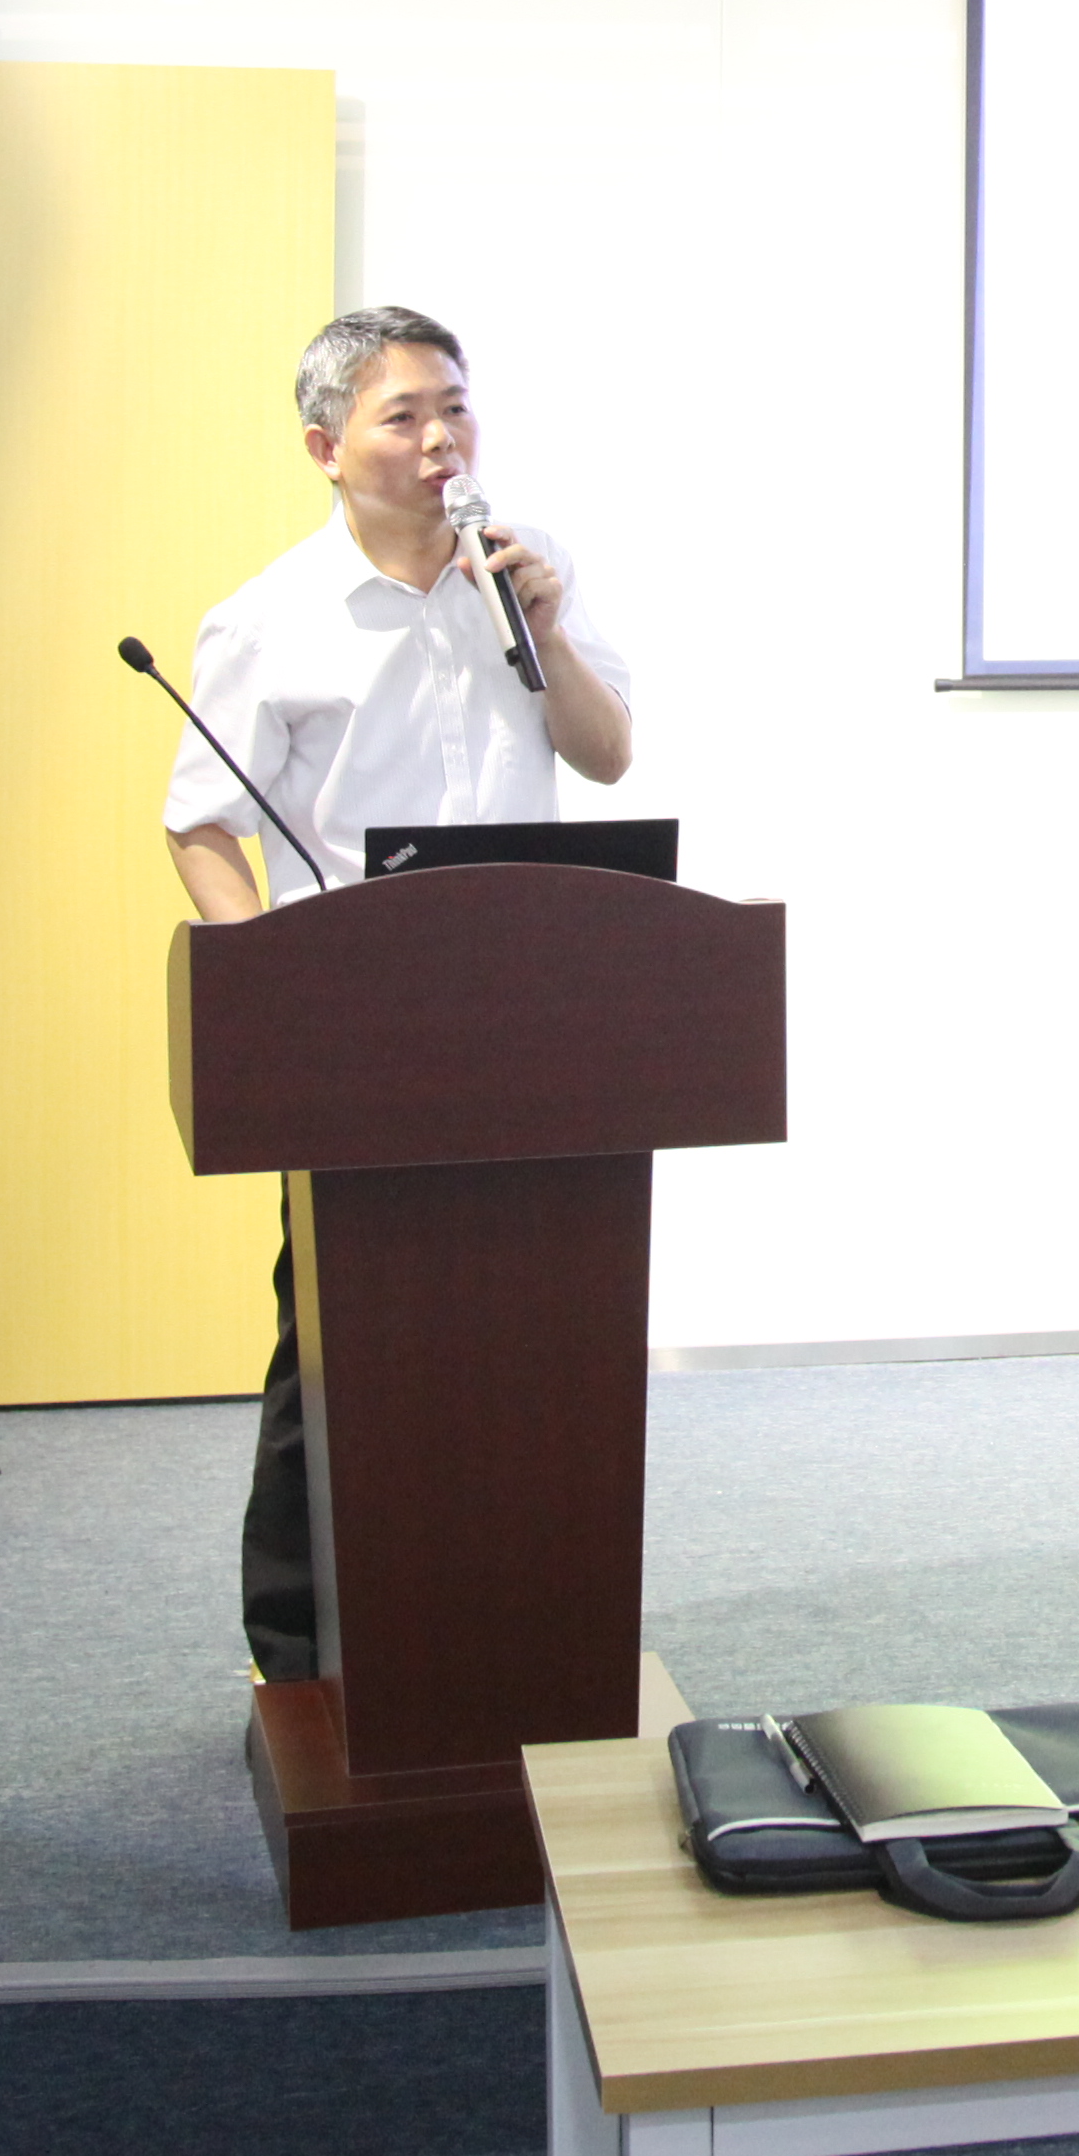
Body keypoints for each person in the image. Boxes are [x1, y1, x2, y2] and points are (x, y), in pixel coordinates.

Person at [163, 304, 635, 1681]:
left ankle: (518, 1620)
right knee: (341, 1335)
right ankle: (298, 1650)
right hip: (359, 1023)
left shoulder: (525, 575)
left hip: (532, 1002)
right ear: (327, 448)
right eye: (404, 417)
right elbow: (201, 824)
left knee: (530, 1321)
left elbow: (607, 757)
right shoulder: (270, 620)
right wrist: (269, 991)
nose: (442, 441)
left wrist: (547, 632)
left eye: (456, 408)